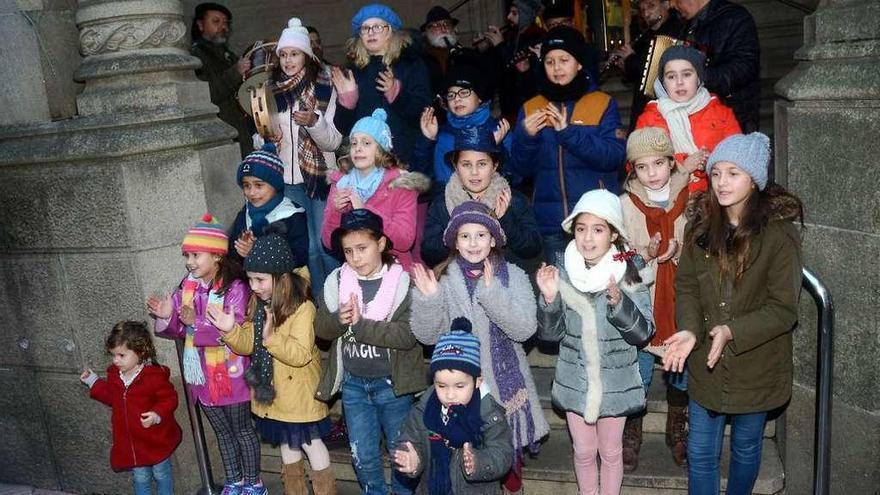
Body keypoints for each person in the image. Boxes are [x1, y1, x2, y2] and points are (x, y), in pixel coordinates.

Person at [663, 132, 803, 495]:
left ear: (754, 179)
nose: (722, 182)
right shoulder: (701, 227)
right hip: (706, 366)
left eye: (733, 173)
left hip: (756, 366)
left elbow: (783, 309)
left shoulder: (778, 236)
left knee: (745, 447)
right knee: (701, 451)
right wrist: (691, 330)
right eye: (716, 173)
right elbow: (688, 286)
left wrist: (731, 331)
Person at [410, 201, 550, 493]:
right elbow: (427, 336)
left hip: (504, 389)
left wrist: (492, 293)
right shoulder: (443, 279)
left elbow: (525, 329)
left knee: (507, 465)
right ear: (454, 242)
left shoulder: (513, 275)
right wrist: (430, 301)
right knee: (463, 465)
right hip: (457, 390)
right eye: (465, 236)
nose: (473, 243)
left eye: (481, 235)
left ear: (493, 239)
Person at [535, 189, 655, 495]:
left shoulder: (629, 272)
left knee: (611, 452)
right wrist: (549, 299)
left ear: (613, 234)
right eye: (581, 229)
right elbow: (550, 336)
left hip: (615, 382)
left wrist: (620, 305)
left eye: (598, 229)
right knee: (584, 452)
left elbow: (644, 334)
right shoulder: (563, 272)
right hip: (575, 381)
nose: (588, 238)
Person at [207, 234, 337, 495]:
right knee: (288, 448)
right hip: (275, 394)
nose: (254, 286)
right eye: (251, 279)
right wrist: (230, 330)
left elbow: (300, 354)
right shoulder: (259, 304)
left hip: (299, 394)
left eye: (260, 279)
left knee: (312, 444)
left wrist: (271, 339)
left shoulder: (303, 308)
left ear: (281, 277)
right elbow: (248, 345)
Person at [313, 208, 428, 495]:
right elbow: (321, 329)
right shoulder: (336, 282)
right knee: (362, 456)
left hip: (392, 386)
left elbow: (408, 336)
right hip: (353, 385)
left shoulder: (403, 283)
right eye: (348, 251)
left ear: (382, 243)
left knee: (401, 452)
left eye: (362, 248)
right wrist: (338, 320)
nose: (355, 257)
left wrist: (361, 327)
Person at [147, 214, 262, 494]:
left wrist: (192, 323)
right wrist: (167, 315)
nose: (189, 262)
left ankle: (254, 484)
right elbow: (176, 328)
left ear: (216, 256)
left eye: (196, 255)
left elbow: (230, 329)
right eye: (187, 255)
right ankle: (234, 481)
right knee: (223, 434)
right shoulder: (187, 287)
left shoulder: (236, 288)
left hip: (231, 375)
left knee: (242, 431)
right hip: (201, 377)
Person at [509, 26, 627, 262]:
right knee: (558, 295)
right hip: (551, 225)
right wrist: (525, 137)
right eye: (550, 61)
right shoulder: (531, 107)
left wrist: (568, 134)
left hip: (595, 222)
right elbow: (518, 171)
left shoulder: (602, 103)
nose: (557, 68)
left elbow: (614, 156)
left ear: (579, 63)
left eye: (564, 60)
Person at [255, 17, 342, 297]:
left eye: (294, 54)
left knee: (322, 245)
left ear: (306, 55)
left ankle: (336, 298)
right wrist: (266, 138)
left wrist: (314, 121)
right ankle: (316, 304)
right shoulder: (271, 92)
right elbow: (260, 136)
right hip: (288, 180)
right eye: (283, 55)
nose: (288, 60)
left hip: (318, 178)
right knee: (303, 248)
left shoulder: (324, 88)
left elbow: (334, 142)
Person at [619, 128, 690, 470]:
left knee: (681, 368)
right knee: (639, 369)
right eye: (642, 167)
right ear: (633, 169)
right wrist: (644, 255)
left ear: (671, 164)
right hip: (642, 302)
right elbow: (617, 260)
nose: (652, 173)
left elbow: (701, 251)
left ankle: (677, 423)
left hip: (680, 298)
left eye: (658, 164)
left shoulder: (688, 200)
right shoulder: (625, 205)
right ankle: (632, 427)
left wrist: (678, 253)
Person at [393, 317, 514, 494]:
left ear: (477, 381)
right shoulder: (423, 411)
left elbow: (503, 454)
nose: (450, 395)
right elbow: (409, 440)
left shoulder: (489, 415)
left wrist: (478, 463)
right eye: (441, 386)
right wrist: (412, 460)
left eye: (459, 386)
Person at [80, 321, 182, 495]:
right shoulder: (115, 376)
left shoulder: (153, 376)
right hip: (133, 445)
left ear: (140, 352)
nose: (115, 360)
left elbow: (169, 399)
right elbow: (111, 396)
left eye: (121, 355)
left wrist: (157, 414)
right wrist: (93, 381)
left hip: (156, 440)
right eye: (113, 355)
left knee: (161, 473)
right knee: (140, 477)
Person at [420, 126, 542, 272]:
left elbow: (532, 249)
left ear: (495, 165)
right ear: (455, 166)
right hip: (457, 287)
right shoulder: (442, 203)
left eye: (482, 164)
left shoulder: (513, 200)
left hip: (505, 287)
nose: (474, 172)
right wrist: (457, 226)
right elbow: (429, 254)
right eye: (466, 164)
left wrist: (504, 219)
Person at [321, 109, 430, 272]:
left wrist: (366, 213)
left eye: (366, 143)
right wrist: (336, 212)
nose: (358, 148)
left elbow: (405, 240)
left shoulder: (401, 184)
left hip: (393, 269)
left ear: (381, 149)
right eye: (354, 143)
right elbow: (328, 242)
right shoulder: (341, 183)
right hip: (355, 268)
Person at [331, 3, 432, 163]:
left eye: (377, 27)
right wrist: (347, 104)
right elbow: (343, 127)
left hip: (404, 159)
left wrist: (397, 95)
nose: (371, 32)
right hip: (366, 163)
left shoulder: (411, 64)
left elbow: (425, 115)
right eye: (365, 28)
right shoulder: (353, 71)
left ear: (391, 30)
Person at [636, 45, 741, 193]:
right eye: (671, 76)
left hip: (715, 200)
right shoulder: (649, 118)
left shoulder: (722, 113)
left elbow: (739, 159)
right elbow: (636, 165)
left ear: (699, 78)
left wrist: (711, 162)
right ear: (663, 83)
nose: (679, 82)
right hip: (668, 203)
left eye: (686, 74)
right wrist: (682, 166)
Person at [415, 64, 512, 190]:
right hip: (445, 205)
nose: (457, 99)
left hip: (489, 206)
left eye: (464, 92)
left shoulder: (499, 130)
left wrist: (495, 147)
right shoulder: (440, 133)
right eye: (451, 95)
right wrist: (427, 141)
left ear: (479, 97)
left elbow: (513, 177)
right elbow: (420, 179)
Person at [671, 0, 761, 132]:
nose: (672, 5)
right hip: (698, 115)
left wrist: (699, 77)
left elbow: (746, 67)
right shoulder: (686, 24)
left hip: (732, 116)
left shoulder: (735, 17)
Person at [228, 144, 309, 272]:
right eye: (247, 186)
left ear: (275, 185)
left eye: (259, 185)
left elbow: (300, 257)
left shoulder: (292, 215)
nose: (252, 192)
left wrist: (256, 252)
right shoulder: (244, 215)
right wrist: (241, 251)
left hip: (285, 285)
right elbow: (231, 254)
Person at [190, 2, 253, 157]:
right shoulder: (195, 56)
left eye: (225, 23)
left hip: (241, 133)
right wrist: (236, 72)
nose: (223, 27)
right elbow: (206, 95)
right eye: (216, 21)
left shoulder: (228, 55)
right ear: (200, 25)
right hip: (222, 138)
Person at [611, 0, 684, 131]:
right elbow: (639, 75)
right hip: (646, 103)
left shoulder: (673, 30)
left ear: (666, 4)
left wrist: (630, 58)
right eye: (642, 9)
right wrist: (624, 64)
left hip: (663, 107)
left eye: (651, 6)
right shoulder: (648, 34)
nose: (646, 13)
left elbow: (657, 73)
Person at [478, 0, 546, 123]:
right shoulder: (511, 35)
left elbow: (515, 67)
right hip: (509, 103)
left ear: (525, 15)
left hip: (528, 104)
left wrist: (500, 45)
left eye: (514, 13)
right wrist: (484, 49)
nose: (509, 17)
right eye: (509, 12)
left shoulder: (537, 37)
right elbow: (498, 68)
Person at [540, 0, 601, 84]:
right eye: (553, 25)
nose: (559, 28)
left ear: (572, 23)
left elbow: (591, 81)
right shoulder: (541, 49)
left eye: (563, 23)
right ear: (546, 28)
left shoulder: (586, 49)